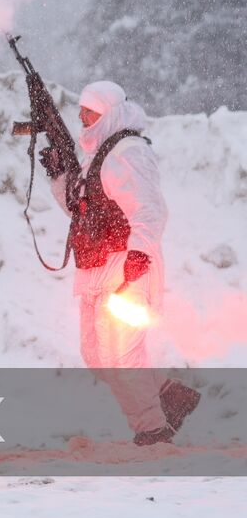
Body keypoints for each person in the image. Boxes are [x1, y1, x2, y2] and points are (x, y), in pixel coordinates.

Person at [43, 81, 199, 444]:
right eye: (81, 112)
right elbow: (80, 211)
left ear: (110, 113)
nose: (83, 119)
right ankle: (170, 395)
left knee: (119, 355)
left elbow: (150, 208)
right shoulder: (98, 153)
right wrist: (59, 176)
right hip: (96, 268)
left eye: (91, 113)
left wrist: (140, 254)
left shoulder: (127, 151)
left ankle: (152, 431)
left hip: (126, 264)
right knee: (96, 354)